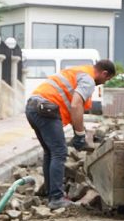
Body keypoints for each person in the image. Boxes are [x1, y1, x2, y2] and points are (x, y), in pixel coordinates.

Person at [25, 59, 115, 210]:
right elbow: (76, 104)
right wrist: (80, 135)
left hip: (33, 107)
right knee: (59, 152)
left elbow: (74, 109)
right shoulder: (88, 79)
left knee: (51, 152)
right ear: (104, 73)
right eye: (107, 79)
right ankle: (56, 198)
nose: (105, 82)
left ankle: (50, 194)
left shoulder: (80, 72)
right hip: (46, 109)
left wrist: (79, 132)